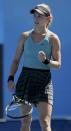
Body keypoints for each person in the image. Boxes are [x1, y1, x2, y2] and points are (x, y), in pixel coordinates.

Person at [7, 3, 61, 131]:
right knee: (25, 122)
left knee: (45, 122)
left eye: (40, 16)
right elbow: (15, 60)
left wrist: (46, 61)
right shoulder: (24, 36)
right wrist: (10, 78)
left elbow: (58, 64)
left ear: (48, 19)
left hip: (44, 81)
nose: (36, 19)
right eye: (35, 15)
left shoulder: (53, 39)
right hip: (25, 78)